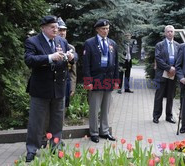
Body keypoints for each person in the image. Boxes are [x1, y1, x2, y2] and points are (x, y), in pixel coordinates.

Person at [24, 15, 77, 162]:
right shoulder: (33, 41)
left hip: (58, 88)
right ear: (43, 28)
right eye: (52, 27)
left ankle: (56, 148)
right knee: (36, 122)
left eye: (57, 27)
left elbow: (74, 55)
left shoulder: (62, 41)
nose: (56, 29)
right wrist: (49, 57)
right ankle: (32, 150)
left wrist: (72, 56)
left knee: (57, 122)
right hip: (40, 89)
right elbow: (29, 60)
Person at [82, 19, 119, 143]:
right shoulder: (90, 43)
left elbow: (116, 63)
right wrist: (88, 82)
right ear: (97, 29)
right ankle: (94, 132)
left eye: (107, 28)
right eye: (103, 29)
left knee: (106, 108)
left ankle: (104, 131)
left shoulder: (112, 43)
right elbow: (86, 64)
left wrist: (116, 80)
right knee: (94, 108)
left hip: (108, 79)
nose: (106, 31)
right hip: (95, 79)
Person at [152, 25, 179, 124]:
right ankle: (156, 116)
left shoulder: (177, 45)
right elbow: (158, 59)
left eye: (171, 31)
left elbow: (179, 59)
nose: (170, 33)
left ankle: (169, 116)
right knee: (159, 96)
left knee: (170, 96)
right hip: (161, 74)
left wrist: (174, 68)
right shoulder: (159, 45)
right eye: (168, 31)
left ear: (174, 33)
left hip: (173, 74)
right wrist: (168, 68)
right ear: (165, 33)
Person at [57, 17, 78, 109]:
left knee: (63, 109)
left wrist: (72, 86)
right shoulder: (49, 46)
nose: (62, 33)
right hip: (53, 84)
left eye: (64, 30)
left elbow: (73, 70)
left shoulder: (70, 48)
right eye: (60, 30)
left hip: (66, 82)